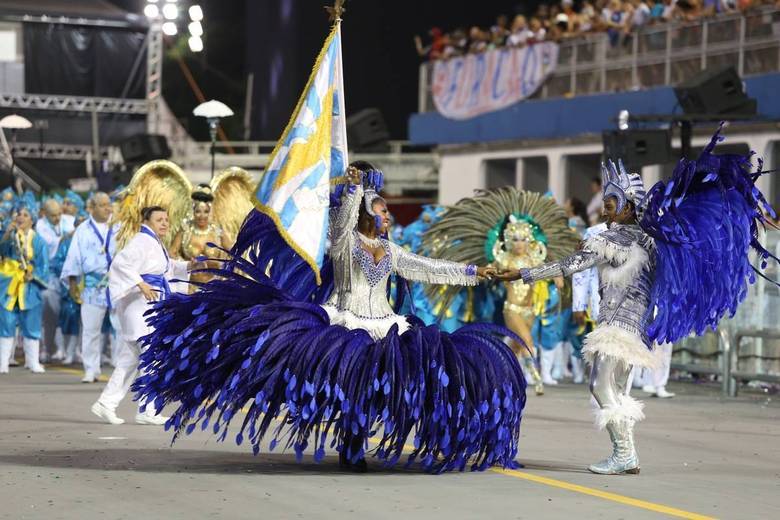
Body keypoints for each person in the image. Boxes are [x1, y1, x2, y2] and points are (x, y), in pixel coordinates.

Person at [131, 163, 526, 474]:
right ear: (368, 211)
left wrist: (479, 273)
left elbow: (431, 268)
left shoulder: (391, 250)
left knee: (408, 380)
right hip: (344, 325)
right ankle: (352, 444)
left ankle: (424, 436)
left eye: (387, 211)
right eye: (383, 209)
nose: (388, 216)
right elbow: (340, 229)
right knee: (352, 385)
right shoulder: (345, 244)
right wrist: (353, 190)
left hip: (387, 326)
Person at [501, 127, 777, 474]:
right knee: (616, 387)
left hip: (618, 325)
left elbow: (567, 266)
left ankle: (623, 454)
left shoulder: (609, 241)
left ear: (628, 206)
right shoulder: (650, 242)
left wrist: (522, 273)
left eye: (611, 203)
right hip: (638, 325)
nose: (605, 209)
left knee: (600, 384)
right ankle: (626, 455)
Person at [91, 206, 196, 425]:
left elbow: (166, 269)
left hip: (146, 304)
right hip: (139, 305)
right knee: (149, 355)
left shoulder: (155, 243)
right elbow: (120, 264)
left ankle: (107, 403)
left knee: (130, 358)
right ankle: (148, 410)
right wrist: (141, 283)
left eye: (167, 219)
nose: (165, 223)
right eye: (160, 219)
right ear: (147, 221)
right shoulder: (142, 240)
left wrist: (190, 265)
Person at [61, 192, 120, 382]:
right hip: (93, 285)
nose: (107, 208)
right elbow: (73, 258)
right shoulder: (83, 230)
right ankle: (90, 368)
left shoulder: (119, 226)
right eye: (102, 205)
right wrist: (72, 283)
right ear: (92, 208)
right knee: (90, 330)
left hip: (117, 283)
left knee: (121, 328)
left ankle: (121, 368)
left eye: (109, 205)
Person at [0, 202, 49, 374]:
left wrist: (34, 276)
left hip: (29, 287)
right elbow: (2, 251)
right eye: (18, 213)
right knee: (6, 321)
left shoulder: (39, 242)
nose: (20, 217)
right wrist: (6, 233)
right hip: (9, 284)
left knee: (31, 322)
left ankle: (33, 361)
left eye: (25, 215)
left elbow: (44, 266)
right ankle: (3, 362)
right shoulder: (9, 236)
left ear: (32, 220)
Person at [35, 198, 75, 362]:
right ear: (45, 214)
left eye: (59, 214)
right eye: (53, 215)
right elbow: (51, 244)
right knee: (50, 312)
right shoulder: (40, 225)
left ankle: (67, 350)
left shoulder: (68, 220)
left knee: (70, 311)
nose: (58, 218)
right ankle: (46, 348)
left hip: (68, 272)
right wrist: (69, 235)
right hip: (50, 273)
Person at [170, 185, 230, 291]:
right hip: (189, 288)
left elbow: (233, 251)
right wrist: (187, 264)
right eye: (198, 211)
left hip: (215, 287)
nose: (202, 215)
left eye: (206, 211)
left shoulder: (217, 230)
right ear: (193, 211)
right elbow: (171, 253)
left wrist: (219, 264)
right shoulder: (185, 229)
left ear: (210, 212)